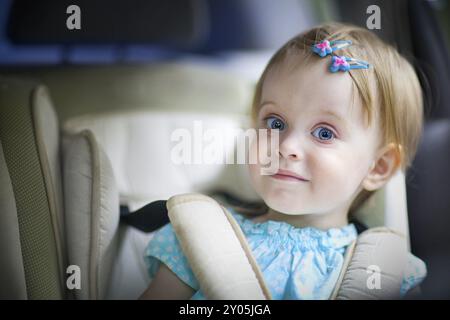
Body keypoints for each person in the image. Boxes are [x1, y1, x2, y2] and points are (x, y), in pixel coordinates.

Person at [139, 22, 427, 300]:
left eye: (324, 132)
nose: (287, 146)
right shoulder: (204, 240)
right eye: (275, 123)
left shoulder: (385, 272)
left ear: (378, 167)